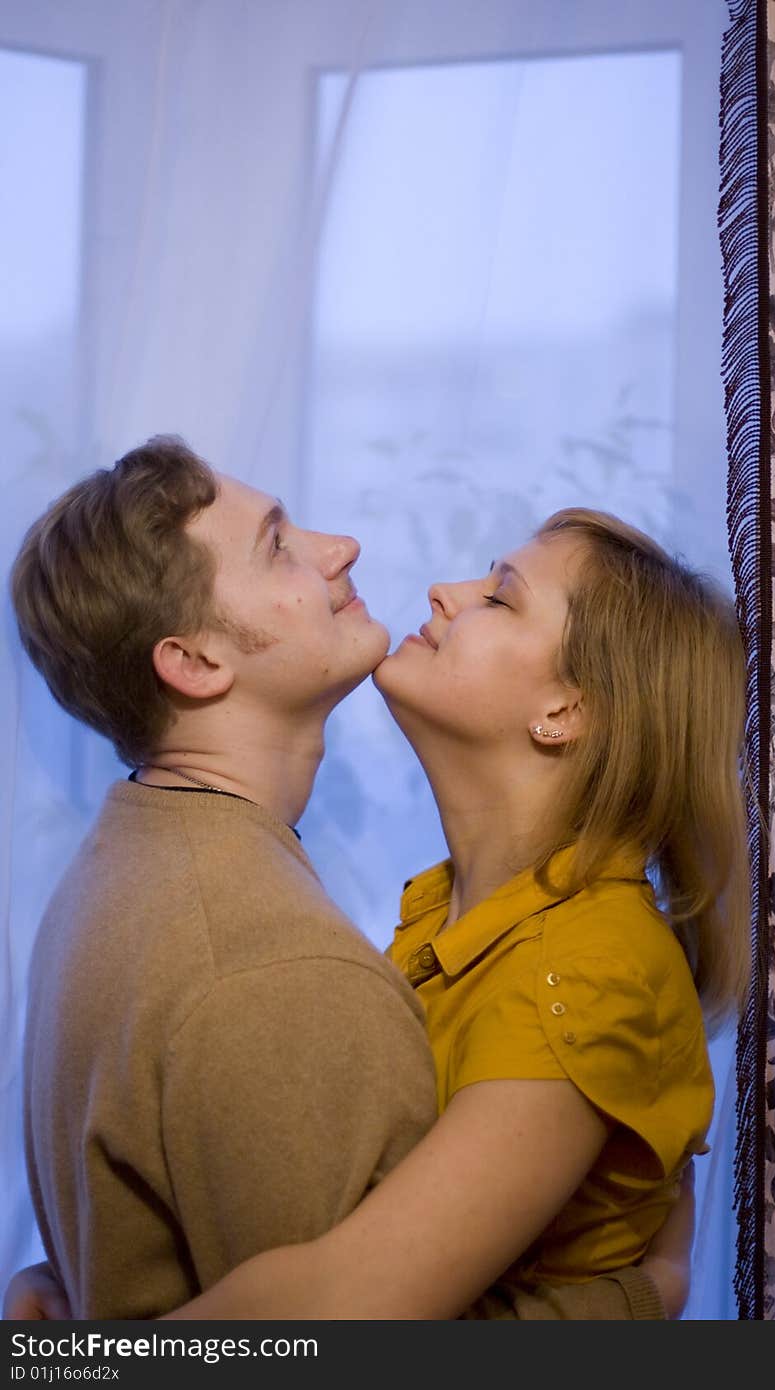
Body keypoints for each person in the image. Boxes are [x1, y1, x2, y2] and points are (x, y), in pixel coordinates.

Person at [5, 437, 687, 1321]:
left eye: (500, 595)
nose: (343, 549)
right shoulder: (278, 965)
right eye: (279, 545)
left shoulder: (122, 859)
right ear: (198, 662)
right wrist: (641, 1298)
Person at [156, 504, 750, 1320]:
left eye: (500, 599)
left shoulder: (585, 970)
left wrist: (92, 1355)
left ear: (567, 711)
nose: (442, 591)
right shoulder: (449, 915)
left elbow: (350, 1308)